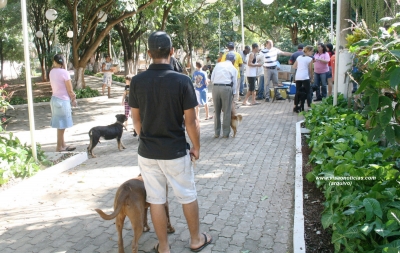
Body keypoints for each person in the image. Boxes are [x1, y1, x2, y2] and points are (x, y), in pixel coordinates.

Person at [129, 31, 211, 253]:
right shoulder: (182, 81)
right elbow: (191, 122)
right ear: (172, 52)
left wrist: (147, 137)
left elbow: (136, 120)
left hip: (147, 152)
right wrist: (196, 147)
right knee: (187, 195)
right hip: (175, 151)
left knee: (155, 199)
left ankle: (163, 246)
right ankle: (196, 240)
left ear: (148, 54)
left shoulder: (137, 81)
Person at [49, 54, 77, 152]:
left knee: (60, 124)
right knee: (62, 125)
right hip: (63, 100)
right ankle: (59, 147)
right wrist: (73, 98)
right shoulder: (64, 73)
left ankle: (63, 144)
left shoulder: (52, 72)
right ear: (63, 61)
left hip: (54, 99)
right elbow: (70, 89)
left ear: (54, 61)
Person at [211, 51, 238, 138]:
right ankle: (225, 133)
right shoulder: (233, 68)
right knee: (226, 111)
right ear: (233, 60)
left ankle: (216, 133)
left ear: (225, 58)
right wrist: (233, 93)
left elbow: (212, 78)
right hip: (226, 88)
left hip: (215, 87)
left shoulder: (218, 65)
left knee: (217, 111)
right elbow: (234, 82)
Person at [293, 45, 314, 112]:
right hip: (305, 76)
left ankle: (295, 105)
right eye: (312, 51)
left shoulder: (299, 57)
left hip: (298, 76)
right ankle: (309, 106)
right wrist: (312, 78)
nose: (312, 53)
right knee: (308, 91)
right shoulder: (310, 59)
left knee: (297, 91)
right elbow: (311, 70)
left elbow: (294, 66)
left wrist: (300, 68)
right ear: (308, 51)